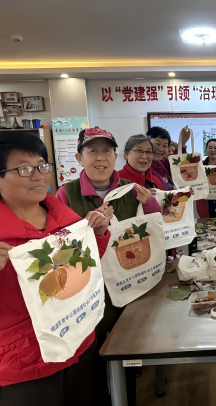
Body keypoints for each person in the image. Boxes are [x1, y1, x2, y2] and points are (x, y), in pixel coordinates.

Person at [0, 132, 111, 406]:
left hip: (78, 340)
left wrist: (97, 236)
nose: (38, 176)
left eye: (42, 166)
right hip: (22, 364)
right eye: (24, 169)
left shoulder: (65, 219)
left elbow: (79, 274)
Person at [55, 127, 160, 406]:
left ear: (116, 156)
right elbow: (57, 246)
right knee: (92, 363)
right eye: (92, 151)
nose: (100, 158)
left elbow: (155, 230)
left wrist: (151, 207)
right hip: (89, 291)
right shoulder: (66, 194)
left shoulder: (132, 189)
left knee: (126, 356)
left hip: (129, 285)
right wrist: (87, 228)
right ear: (80, 158)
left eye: (106, 151)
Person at [146, 126, 190, 190]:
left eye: (165, 146)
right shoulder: (143, 167)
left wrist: (182, 143)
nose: (161, 149)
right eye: (157, 144)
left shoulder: (163, 163)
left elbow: (177, 161)